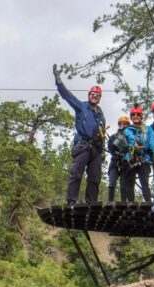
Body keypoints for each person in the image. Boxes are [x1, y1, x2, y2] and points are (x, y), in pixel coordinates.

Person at [53, 64, 106, 205]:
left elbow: (103, 133)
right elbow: (67, 96)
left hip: (96, 149)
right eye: (92, 94)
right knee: (76, 173)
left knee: (95, 178)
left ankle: (91, 203)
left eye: (97, 95)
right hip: (83, 144)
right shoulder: (81, 106)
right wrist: (59, 81)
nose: (94, 96)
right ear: (89, 95)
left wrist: (102, 151)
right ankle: (71, 201)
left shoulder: (101, 115)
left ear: (99, 98)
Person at [122, 104, 154, 202]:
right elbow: (124, 146)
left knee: (145, 182)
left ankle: (148, 203)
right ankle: (131, 204)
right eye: (133, 115)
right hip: (130, 159)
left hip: (143, 158)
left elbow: (153, 144)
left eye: (138, 114)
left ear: (141, 116)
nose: (135, 116)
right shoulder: (127, 130)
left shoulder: (148, 129)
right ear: (131, 117)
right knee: (130, 183)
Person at [107, 116, 130, 202]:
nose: (121, 125)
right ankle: (110, 201)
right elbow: (109, 147)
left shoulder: (130, 137)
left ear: (128, 125)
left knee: (123, 185)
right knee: (112, 182)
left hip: (125, 162)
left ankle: (123, 202)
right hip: (115, 161)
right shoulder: (113, 137)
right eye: (120, 123)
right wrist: (115, 152)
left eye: (124, 123)